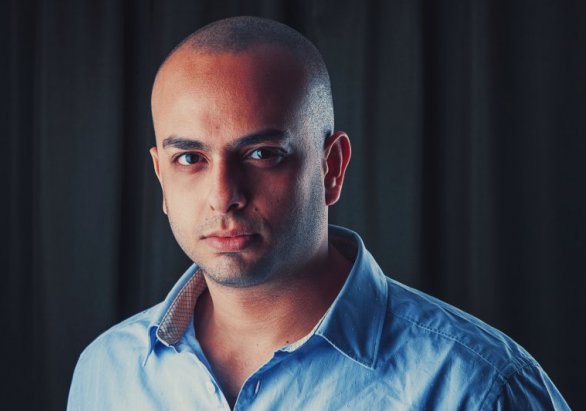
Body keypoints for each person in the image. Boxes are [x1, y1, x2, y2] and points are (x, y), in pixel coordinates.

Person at [67, 16, 569, 410]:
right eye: (190, 159)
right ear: (160, 176)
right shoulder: (106, 373)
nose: (223, 196)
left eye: (261, 154)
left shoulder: (481, 387)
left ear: (332, 167)